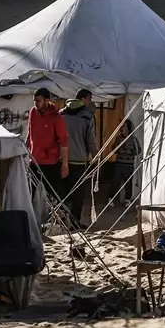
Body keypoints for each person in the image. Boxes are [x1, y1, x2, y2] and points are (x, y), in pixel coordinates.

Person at [27, 88, 69, 219]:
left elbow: (63, 141)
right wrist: (26, 149)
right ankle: (32, 220)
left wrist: (65, 164)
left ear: (47, 100)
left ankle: (58, 220)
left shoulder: (56, 117)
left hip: (51, 162)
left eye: (38, 101)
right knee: (31, 193)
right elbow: (30, 133)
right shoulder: (33, 112)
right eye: (35, 101)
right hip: (34, 161)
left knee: (53, 194)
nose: (36, 104)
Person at [62, 89, 100, 227]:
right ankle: (74, 222)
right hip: (78, 159)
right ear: (84, 99)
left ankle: (60, 221)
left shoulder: (61, 113)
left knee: (61, 192)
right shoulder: (87, 116)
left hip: (61, 159)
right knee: (78, 194)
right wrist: (97, 156)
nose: (90, 101)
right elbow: (91, 140)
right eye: (89, 98)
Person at [113, 118, 139, 206]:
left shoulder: (133, 139)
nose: (121, 129)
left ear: (128, 128)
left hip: (129, 165)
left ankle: (128, 199)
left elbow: (138, 151)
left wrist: (131, 152)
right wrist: (119, 149)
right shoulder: (118, 139)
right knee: (115, 181)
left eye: (123, 127)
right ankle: (110, 198)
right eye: (121, 127)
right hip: (119, 163)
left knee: (128, 183)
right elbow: (113, 149)